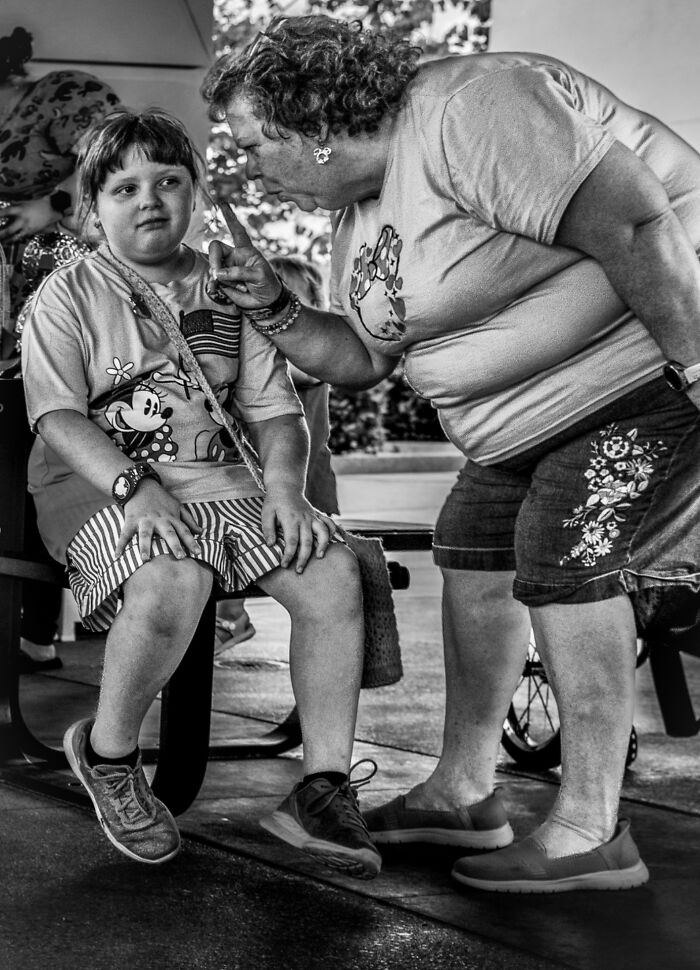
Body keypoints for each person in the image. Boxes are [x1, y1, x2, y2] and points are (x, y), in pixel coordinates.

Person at [201, 14, 700, 893]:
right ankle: (465, 791)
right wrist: (275, 305)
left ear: (311, 129)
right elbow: (361, 360)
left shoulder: (467, 109)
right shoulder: (361, 212)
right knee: (472, 550)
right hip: (514, 429)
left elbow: (636, 223)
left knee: (560, 561)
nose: (248, 166)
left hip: (638, 382)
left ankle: (593, 825)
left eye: (250, 143)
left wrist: (698, 365)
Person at [20, 108, 380, 877]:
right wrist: (135, 487)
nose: (149, 199)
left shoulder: (228, 290)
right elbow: (54, 416)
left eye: (168, 181)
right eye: (124, 188)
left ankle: (321, 788)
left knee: (331, 570)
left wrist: (287, 491)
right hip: (99, 483)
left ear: (194, 192)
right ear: (92, 210)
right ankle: (111, 754)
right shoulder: (66, 296)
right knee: (173, 573)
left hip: (224, 481)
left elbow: (279, 413)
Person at [0, 25, 121, 672]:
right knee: (8, 470)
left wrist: (53, 206)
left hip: (59, 287)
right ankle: (21, 629)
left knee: (43, 454)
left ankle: (37, 631)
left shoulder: (61, 94)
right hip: (1, 314)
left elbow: (129, 160)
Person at [214, 252, 339, 654]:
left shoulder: (308, 360)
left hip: (307, 486)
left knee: (315, 581)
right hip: (261, 482)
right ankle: (231, 618)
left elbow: (302, 371)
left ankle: (232, 620)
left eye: (282, 301)